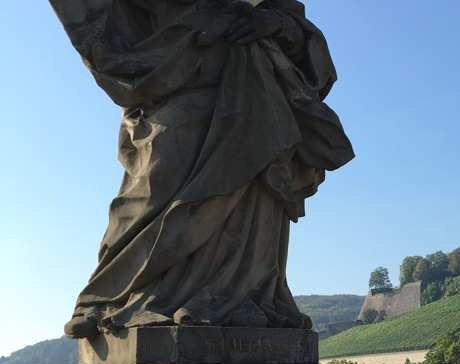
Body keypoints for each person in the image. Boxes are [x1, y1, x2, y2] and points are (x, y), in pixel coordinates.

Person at [49, 0, 354, 338]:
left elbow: (297, 26)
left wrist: (273, 24)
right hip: (173, 74)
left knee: (253, 193)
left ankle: (233, 299)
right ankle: (110, 297)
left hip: (254, 89)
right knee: (156, 182)